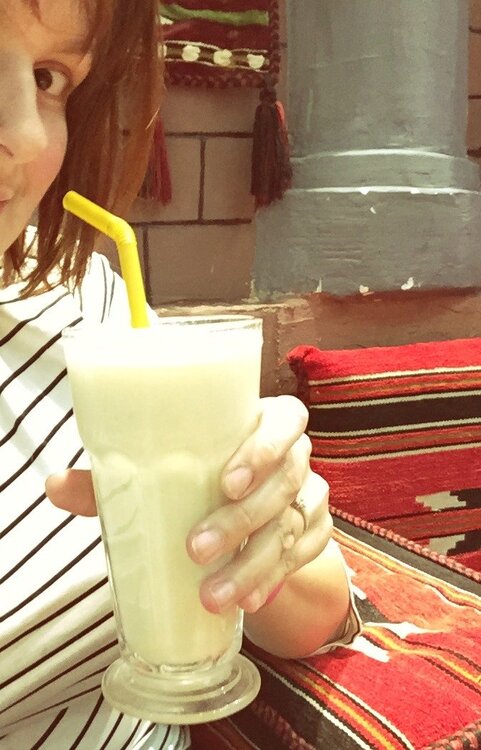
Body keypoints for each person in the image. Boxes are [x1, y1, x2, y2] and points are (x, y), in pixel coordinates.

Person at [0, 1, 360, 748]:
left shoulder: (81, 296)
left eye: (48, 77)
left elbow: (317, 616)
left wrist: (274, 525)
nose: (26, 135)